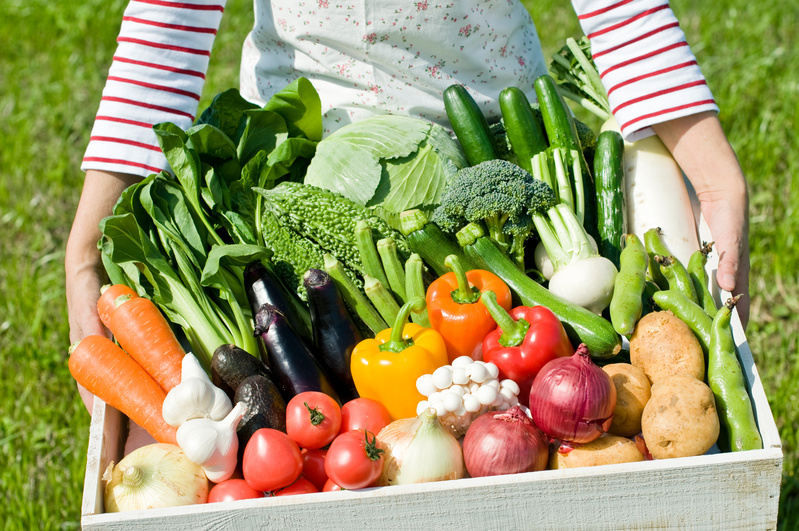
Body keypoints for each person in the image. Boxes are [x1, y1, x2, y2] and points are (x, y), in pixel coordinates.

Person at [66, 0, 750, 413]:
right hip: (310, 180)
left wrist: (712, 176)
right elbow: (170, 16)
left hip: (496, 152)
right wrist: (87, 250)